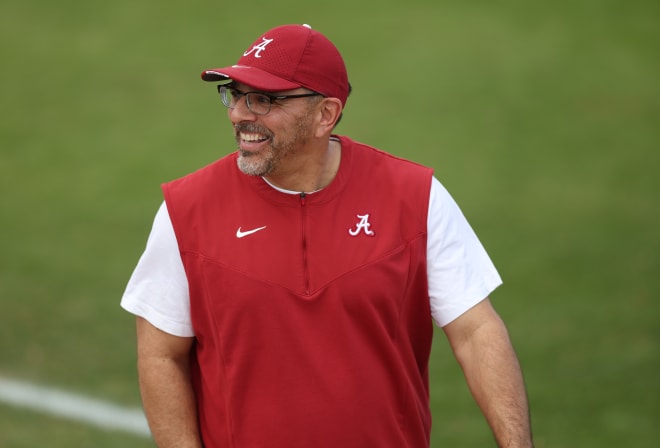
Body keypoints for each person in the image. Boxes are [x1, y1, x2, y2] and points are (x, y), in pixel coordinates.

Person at [121, 23, 533, 448]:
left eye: (263, 99)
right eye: (235, 93)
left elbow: (476, 330)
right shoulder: (188, 210)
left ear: (326, 115)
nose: (240, 113)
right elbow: (160, 354)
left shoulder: (415, 198)